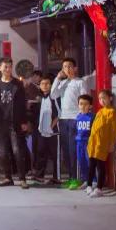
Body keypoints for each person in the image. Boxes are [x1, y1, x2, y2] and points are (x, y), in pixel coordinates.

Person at [51, 58, 95, 188]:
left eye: (70, 66)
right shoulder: (63, 82)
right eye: (65, 67)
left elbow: (86, 100)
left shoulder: (80, 82)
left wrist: (83, 117)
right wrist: (57, 79)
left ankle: (79, 178)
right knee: (66, 150)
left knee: (75, 149)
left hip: (76, 119)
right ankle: (71, 178)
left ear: (75, 68)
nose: (67, 69)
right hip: (64, 119)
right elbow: (53, 95)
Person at [0, 58, 31, 188]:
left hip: (15, 123)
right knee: (3, 153)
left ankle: (22, 178)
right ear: (0, 68)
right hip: (1, 123)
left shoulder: (17, 84)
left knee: (17, 151)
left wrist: (24, 121)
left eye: (10, 67)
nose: (8, 69)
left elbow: (23, 104)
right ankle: (7, 177)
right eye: (6, 67)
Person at [84, 89, 116, 197]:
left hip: (102, 144)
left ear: (110, 98)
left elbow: (114, 130)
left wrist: (112, 143)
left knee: (100, 166)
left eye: (104, 98)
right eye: (99, 98)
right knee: (91, 165)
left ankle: (99, 188)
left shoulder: (112, 112)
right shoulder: (99, 111)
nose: (101, 100)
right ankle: (89, 185)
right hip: (93, 143)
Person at [32, 75, 59, 183]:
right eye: (42, 84)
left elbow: (58, 114)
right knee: (40, 152)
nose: (45, 86)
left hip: (52, 131)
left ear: (51, 85)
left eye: (47, 83)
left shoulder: (54, 98)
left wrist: (51, 127)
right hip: (41, 130)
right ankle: (39, 175)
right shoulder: (38, 98)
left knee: (54, 154)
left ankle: (56, 177)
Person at [70, 95, 95, 191]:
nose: (83, 106)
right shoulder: (78, 116)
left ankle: (93, 181)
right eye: (81, 104)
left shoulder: (92, 117)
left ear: (90, 106)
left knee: (90, 162)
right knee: (82, 162)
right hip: (79, 143)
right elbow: (76, 130)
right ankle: (85, 180)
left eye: (86, 104)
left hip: (88, 143)